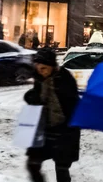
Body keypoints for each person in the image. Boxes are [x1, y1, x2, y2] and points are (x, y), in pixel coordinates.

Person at [24, 49, 80, 182]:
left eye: (44, 68)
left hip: (64, 131)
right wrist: (31, 96)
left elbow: (73, 104)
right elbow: (36, 97)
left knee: (61, 169)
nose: (40, 71)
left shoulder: (65, 78)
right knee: (33, 164)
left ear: (52, 66)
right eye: (38, 68)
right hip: (43, 130)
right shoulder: (40, 79)